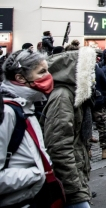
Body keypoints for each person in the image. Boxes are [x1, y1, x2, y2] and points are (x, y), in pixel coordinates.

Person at [43, 46, 97, 208]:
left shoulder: (74, 95)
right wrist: (74, 186)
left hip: (76, 174)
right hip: (69, 181)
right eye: (90, 70)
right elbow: (59, 145)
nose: (93, 76)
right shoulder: (63, 97)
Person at [1, 50, 54, 207]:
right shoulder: (7, 111)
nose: (48, 76)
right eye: (42, 72)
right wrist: (38, 173)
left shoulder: (27, 105)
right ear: (20, 78)